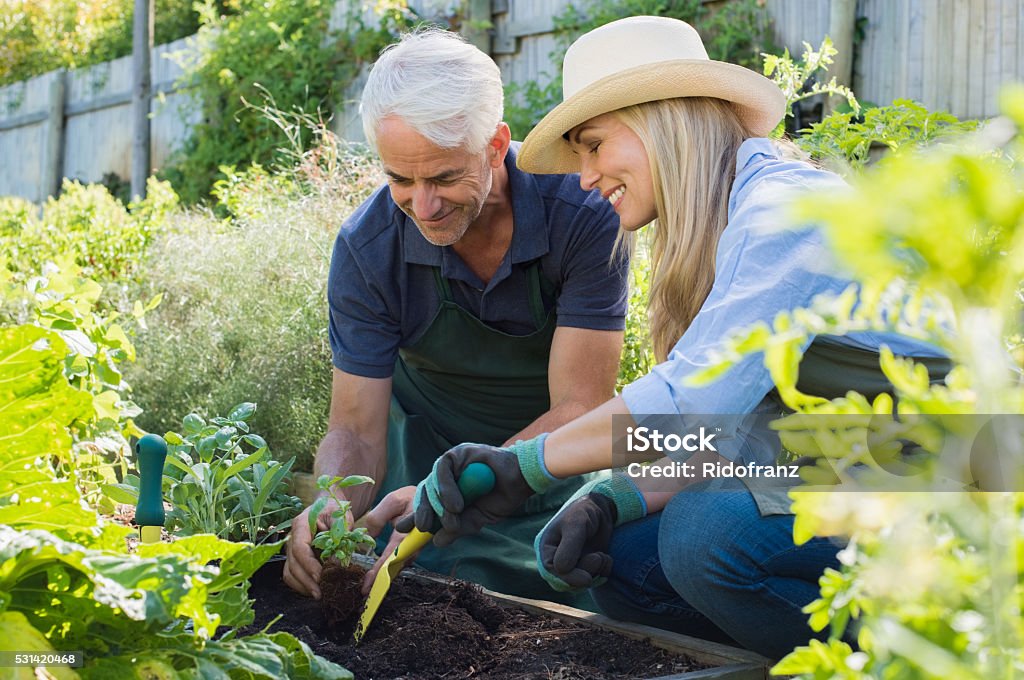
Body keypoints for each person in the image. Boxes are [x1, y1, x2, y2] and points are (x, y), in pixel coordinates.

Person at [399, 16, 952, 659]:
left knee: (703, 535)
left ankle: (929, 659)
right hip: (852, 464)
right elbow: (743, 441)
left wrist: (526, 465)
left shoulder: (788, 214)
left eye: (595, 145)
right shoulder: (730, 223)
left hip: (958, 481)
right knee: (622, 555)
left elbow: (692, 401)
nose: (584, 176)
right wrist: (616, 497)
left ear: (663, 120)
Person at [282, 27, 629, 604]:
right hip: (415, 468)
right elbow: (355, 429)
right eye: (399, 178)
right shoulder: (369, 249)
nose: (424, 205)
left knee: (574, 600)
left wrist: (467, 488)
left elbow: (581, 405)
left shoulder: (581, 214)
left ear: (495, 146)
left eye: (444, 176)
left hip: (546, 466)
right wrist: (332, 503)